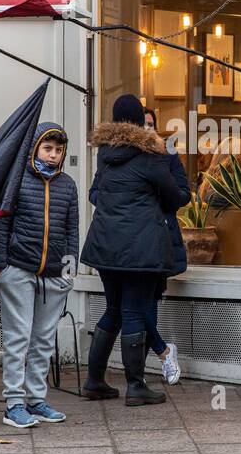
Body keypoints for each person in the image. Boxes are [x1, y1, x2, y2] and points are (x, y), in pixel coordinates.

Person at [81, 94, 189, 406]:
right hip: (139, 248)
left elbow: (97, 195)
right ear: (141, 121)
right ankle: (136, 385)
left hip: (105, 246)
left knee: (113, 309)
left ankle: (94, 380)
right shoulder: (150, 156)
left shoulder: (105, 154)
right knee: (132, 312)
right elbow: (175, 197)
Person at [0, 122, 79, 428]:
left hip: (54, 275)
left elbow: (71, 230)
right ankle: (14, 403)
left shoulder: (67, 185)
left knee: (43, 340)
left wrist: (69, 272)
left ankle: (37, 400)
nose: (53, 155)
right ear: (34, 149)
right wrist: (2, 266)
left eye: (58, 150)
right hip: (19, 270)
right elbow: (0, 222)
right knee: (18, 338)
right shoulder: (16, 180)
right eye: (48, 149)